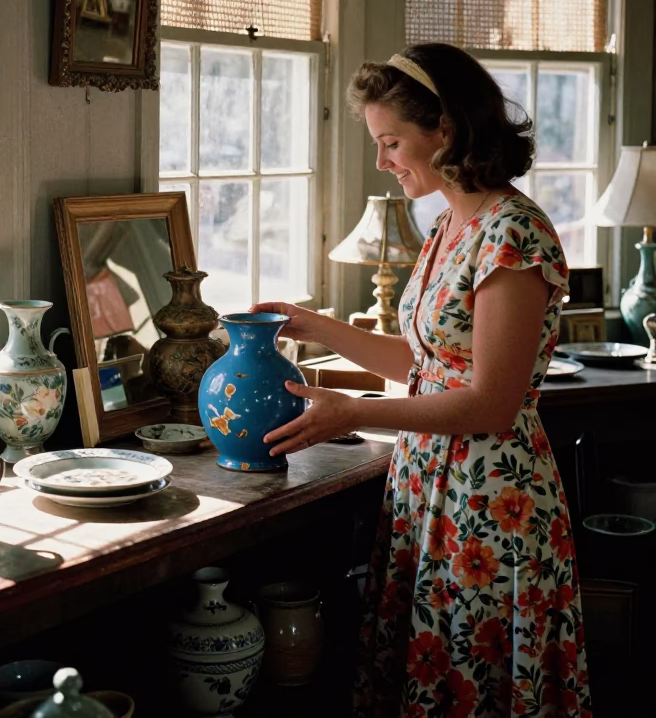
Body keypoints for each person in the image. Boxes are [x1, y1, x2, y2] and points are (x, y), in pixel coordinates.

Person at [253, 44, 591, 717]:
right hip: (429, 483)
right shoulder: (448, 225)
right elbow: (428, 364)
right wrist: (318, 326)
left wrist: (353, 415)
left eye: (392, 142)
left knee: (476, 677)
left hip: (491, 498)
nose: (382, 161)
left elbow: (492, 402)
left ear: (448, 129)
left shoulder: (513, 235)